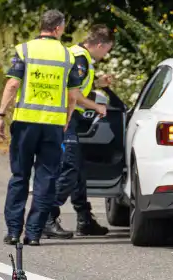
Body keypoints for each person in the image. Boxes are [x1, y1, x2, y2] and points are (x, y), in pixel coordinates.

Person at [0, 9, 85, 246]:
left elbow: (13, 84)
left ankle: (14, 231)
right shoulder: (68, 56)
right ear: (58, 28)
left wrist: (1, 115)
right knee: (46, 179)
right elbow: (73, 96)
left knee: (20, 176)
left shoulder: (24, 50)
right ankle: (33, 234)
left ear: (42, 26)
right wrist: (66, 120)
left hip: (25, 124)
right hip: (53, 126)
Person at [43, 25, 116, 239]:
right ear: (100, 45)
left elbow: (77, 84)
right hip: (65, 118)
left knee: (79, 171)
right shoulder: (80, 57)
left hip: (68, 117)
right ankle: (47, 217)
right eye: (107, 50)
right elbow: (72, 94)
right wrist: (97, 107)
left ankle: (84, 219)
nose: (106, 55)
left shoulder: (79, 56)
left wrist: (97, 82)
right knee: (69, 168)